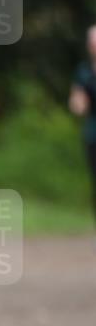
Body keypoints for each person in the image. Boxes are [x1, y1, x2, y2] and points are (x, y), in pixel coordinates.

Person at [68, 24, 96, 223]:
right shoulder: (84, 72)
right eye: (92, 42)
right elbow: (78, 101)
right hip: (93, 134)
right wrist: (77, 103)